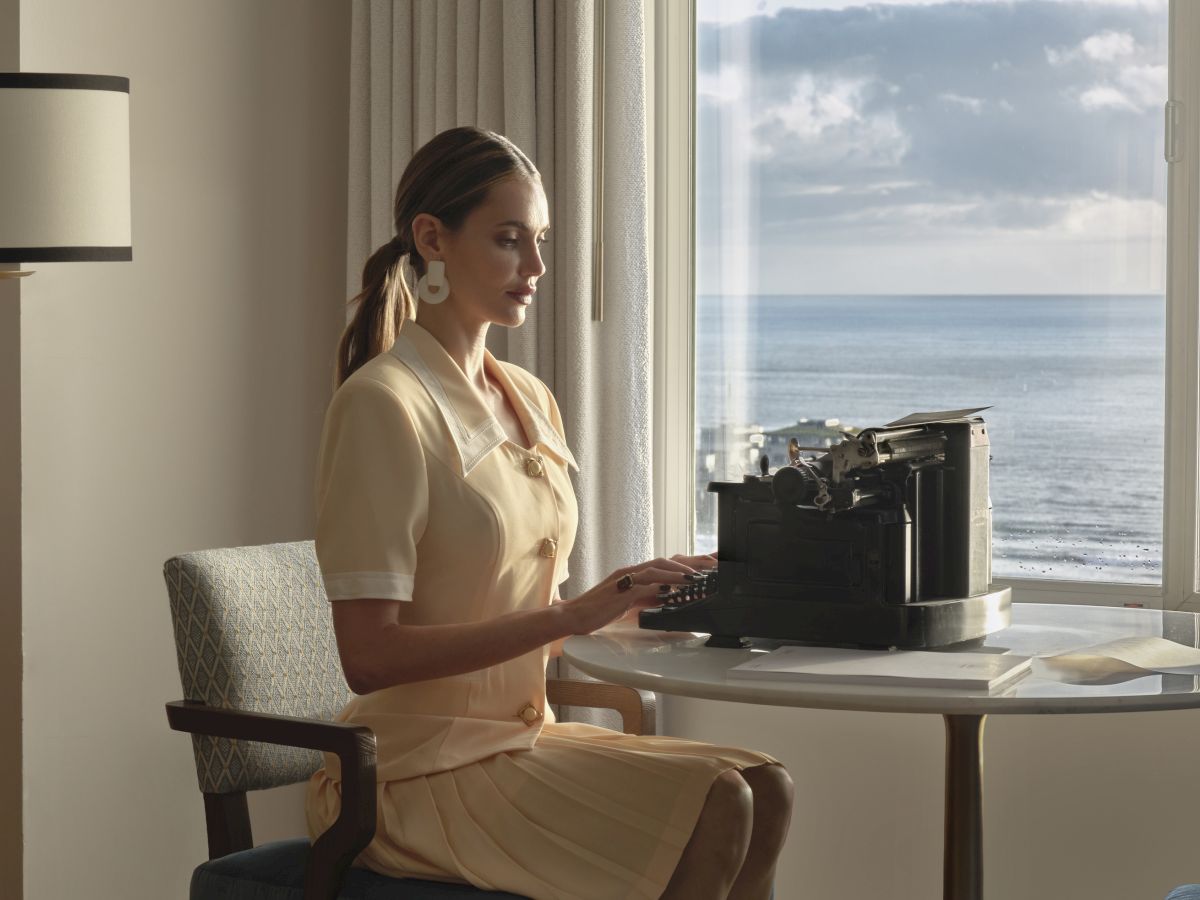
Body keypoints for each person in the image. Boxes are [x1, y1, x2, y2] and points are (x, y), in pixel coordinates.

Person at [305, 125, 794, 900]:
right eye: (508, 241)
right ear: (432, 238)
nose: (535, 267)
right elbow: (369, 657)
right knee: (720, 800)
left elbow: (527, 613)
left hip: (515, 741)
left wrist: (637, 597)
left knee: (764, 785)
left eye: (538, 241)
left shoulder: (529, 398)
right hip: (410, 775)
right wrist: (572, 618)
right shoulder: (382, 405)